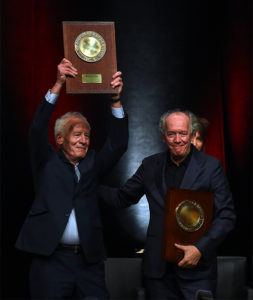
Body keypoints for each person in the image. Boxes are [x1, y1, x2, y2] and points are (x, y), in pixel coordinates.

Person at [15, 58, 128, 299]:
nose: (83, 140)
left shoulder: (93, 163)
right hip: (50, 261)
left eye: (87, 135)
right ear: (59, 139)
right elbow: (36, 129)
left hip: (89, 262)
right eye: (76, 134)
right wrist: (58, 84)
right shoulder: (46, 162)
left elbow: (118, 144)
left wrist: (115, 100)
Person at [99, 109, 235, 299]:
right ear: (164, 137)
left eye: (183, 133)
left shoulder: (211, 167)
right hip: (158, 273)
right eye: (172, 134)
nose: (177, 139)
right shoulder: (149, 165)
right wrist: (87, 186)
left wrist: (200, 248)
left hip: (197, 273)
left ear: (192, 134)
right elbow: (122, 197)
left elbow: (226, 216)